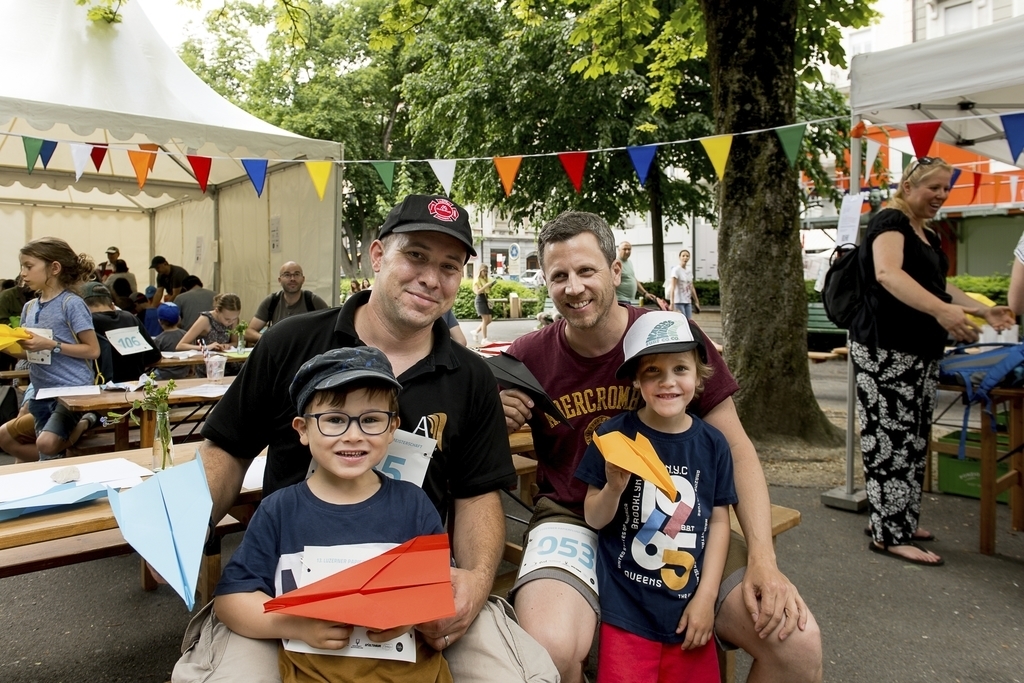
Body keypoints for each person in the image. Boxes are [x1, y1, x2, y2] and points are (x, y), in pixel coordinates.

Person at [173, 194, 518, 682]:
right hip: (286, 596)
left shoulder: (471, 376)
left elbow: (477, 492)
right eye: (415, 255)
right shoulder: (290, 341)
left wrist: (476, 580)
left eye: (450, 266)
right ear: (377, 256)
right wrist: (180, 532)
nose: (431, 277)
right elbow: (227, 448)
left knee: (516, 675)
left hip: (411, 597)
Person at [501, 212, 821, 683]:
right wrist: (496, 411)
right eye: (559, 276)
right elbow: (474, 435)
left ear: (615, 271)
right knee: (550, 646)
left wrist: (763, 560)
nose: (574, 287)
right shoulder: (526, 358)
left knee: (795, 642)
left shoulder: (671, 338)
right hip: (576, 514)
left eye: (587, 271)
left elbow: (736, 448)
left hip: (681, 512)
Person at [212, 347, 452, 683]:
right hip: (313, 673)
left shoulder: (414, 505)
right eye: (335, 420)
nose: (353, 434)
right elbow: (231, 600)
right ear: (303, 429)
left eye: (370, 420)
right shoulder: (279, 510)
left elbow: (439, 590)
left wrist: (411, 616)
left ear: (392, 428)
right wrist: (293, 624)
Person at [849, 157, 1013, 567]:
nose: (940, 195)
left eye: (946, 188)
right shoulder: (890, 221)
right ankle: (889, 535)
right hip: (886, 349)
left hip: (918, 352)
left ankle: (895, 518)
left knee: (912, 439)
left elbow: (940, 285)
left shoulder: (927, 232)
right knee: (890, 439)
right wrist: (941, 312)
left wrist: (982, 310)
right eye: (933, 187)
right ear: (908, 186)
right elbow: (888, 274)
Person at [576, 312, 736, 683]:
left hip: (688, 613)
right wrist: (614, 487)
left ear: (698, 377)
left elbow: (719, 520)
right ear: (635, 379)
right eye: (653, 372)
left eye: (680, 369)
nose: (668, 383)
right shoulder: (615, 437)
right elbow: (592, 517)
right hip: (626, 612)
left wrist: (706, 598)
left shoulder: (713, 445)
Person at [2, 237, 101, 459]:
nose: (23, 274)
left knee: (46, 444)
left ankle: (87, 420)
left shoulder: (71, 304)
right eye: (22, 267)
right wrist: (7, 346)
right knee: (40, 450)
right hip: (41, 392)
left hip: (73, 392)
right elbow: (29, 353)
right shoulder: (29, 307)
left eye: (29, 266)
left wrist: (52, 344)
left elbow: (93, 350)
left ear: (54, 268)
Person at [81, 282, 161, 382]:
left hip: (104, 389)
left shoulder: (87, 323)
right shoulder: (130, 317)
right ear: (112, 304)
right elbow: (154, 357)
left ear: (82, 305)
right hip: (137, 386)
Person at [244, 262, 329, 345]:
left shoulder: (313, 301)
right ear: (279, 280)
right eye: (287, 275)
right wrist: (270, 340)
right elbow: (249, 332)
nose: (292, 278)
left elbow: (330, 328)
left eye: (296, 274)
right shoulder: (272, 301)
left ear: (303, 279)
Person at [176, 293, 241, 352]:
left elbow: (235, 342)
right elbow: (180, 346)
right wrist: (206, 347)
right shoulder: (205, 319)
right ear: (217, 311)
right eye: (227, 319)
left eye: (234, 319)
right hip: (206, 360)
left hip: (227, 360)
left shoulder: (233, 320)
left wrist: (228, 345)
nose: (230, 322)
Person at [152, 303, 189, 380]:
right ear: (179, 319)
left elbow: (155, 359)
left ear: (159, 321)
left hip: (164, 374)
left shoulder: (159, 339)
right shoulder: (186, 335)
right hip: (184, 372)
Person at [667, 249, 700, 319]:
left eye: (687, 256)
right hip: (678, 301)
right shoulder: (676, 270)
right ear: (680, 257)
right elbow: (673, 287)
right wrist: (672, 302)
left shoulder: (689, 271)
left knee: (689, 321)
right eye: (683, 256)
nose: (685, 257)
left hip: (688, 301)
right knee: (682, 321)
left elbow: (691, 287)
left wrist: (696, 301)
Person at [471, 265, 496, 344]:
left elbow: (487, 290)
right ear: (480, 271)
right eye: (484, 271)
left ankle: (475, 331)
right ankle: (484, 339)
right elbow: (477, 292)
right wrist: (485, 286)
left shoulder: (484, 279)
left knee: (489, 320)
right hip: (480, 299)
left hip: (485, 298)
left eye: (486, 271)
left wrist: (490, 286)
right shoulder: (477, 279)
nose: (485, 273)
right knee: (485, 319)